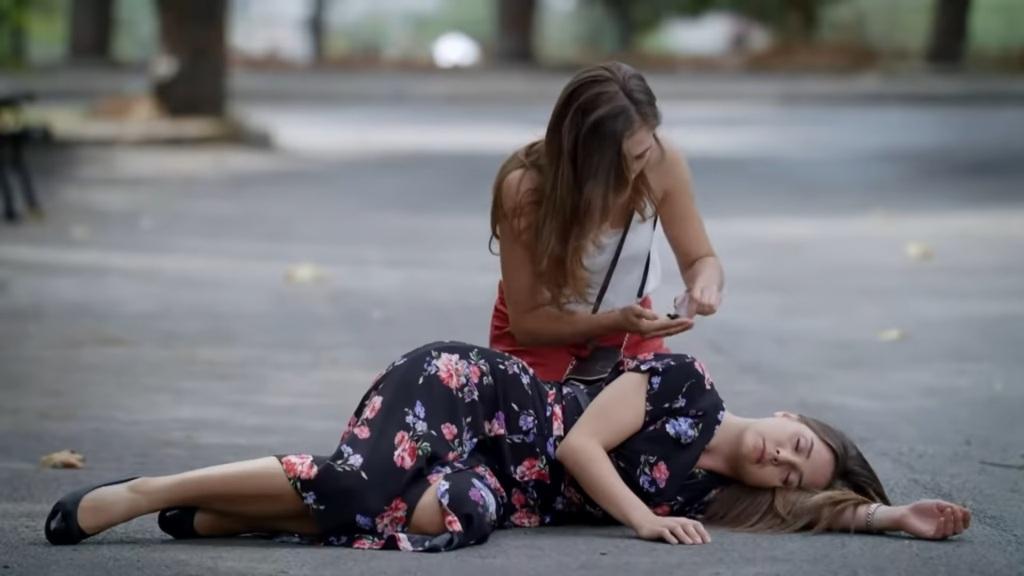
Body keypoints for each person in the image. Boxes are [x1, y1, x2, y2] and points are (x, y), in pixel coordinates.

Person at [45, 342, 969, 551]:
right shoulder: (689, 384)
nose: (783, 457)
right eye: (798, 441)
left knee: (455, 517)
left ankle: (226, 519)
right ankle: (146, 492)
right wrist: (641, 521)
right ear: (790, 413)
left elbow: (825, 510)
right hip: (476, 397)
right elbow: (579, 448)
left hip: (497, 485)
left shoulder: (705, 499)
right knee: (362, 485)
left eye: (795, 471)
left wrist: (893, 517)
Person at [488, 61, 725, 381]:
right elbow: (527, 324)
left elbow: (700, 259)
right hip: (544, 335)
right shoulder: (525, 188)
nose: (634, 172)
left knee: (683, 396)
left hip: (630, 327)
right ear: (581, 156)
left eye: (641, 153)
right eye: (617, 164)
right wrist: (612, 321)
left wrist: (704, 285)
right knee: (559, 410)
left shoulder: (661, 161)